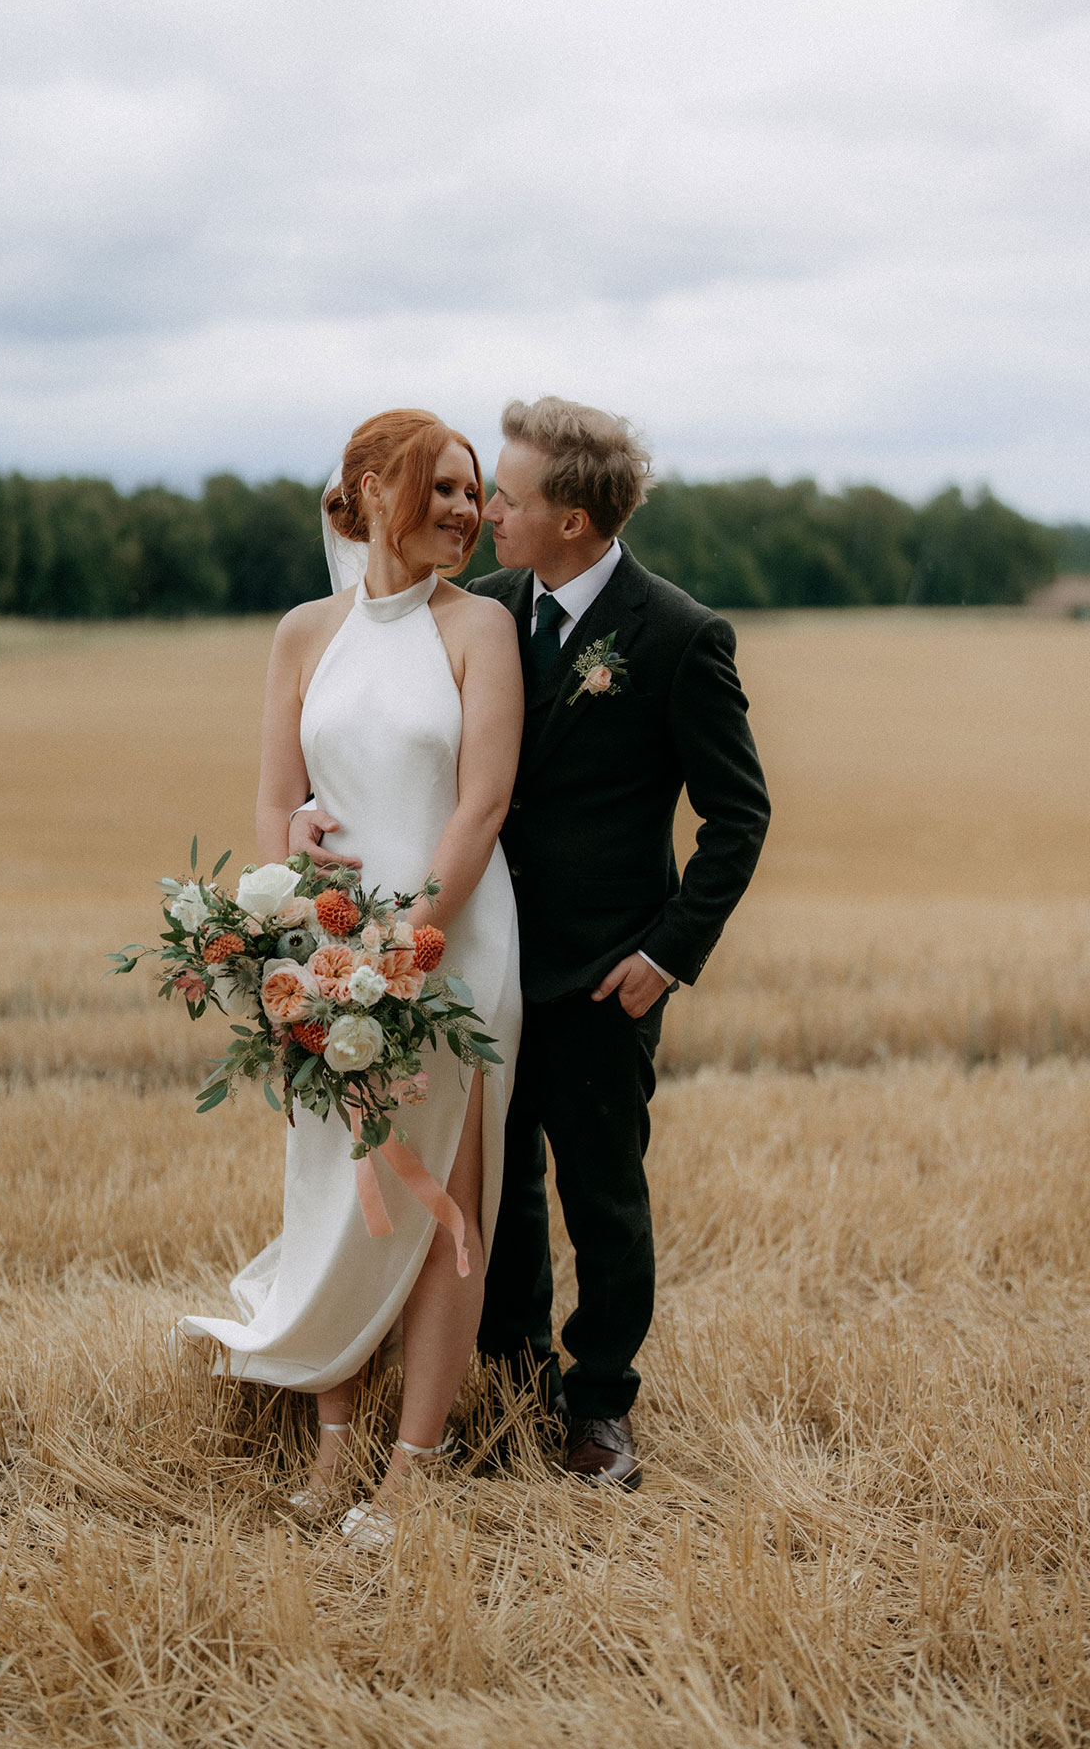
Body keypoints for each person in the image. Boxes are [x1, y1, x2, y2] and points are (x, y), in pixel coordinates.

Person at [177, 410, 523, 1545]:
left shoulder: (479, 630)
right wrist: (295, 885)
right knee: (339, 1192)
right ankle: (336, 1455)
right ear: (373, 489)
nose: (468, 511)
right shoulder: (302, 634)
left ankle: (413, 1471)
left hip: (454, 950)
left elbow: (479, 806)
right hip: (331, 952)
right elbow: (276, 805)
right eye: (445, 488)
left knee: (443, 1210)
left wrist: (414, 947)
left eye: (476, 494)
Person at [468, 396, 770, 1490]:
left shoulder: (680, 635)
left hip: (609, 979)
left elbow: (738, 818)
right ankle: (507, 1386)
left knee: (604, 1200)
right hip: (488, 966)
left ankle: (599, 1408)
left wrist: (668, 955)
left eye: (511, 495)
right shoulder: (487, 611)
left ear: (576, 523)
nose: (491, 511)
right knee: (498, 1198)